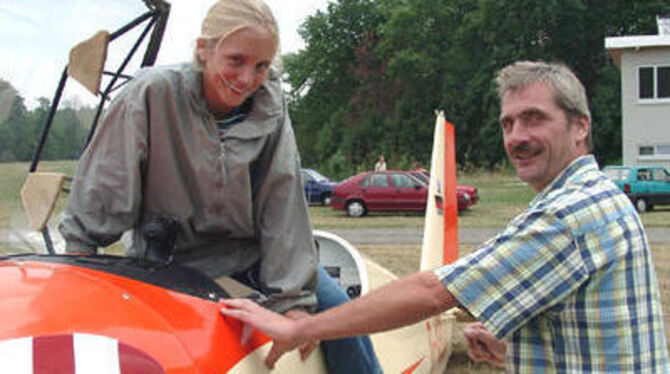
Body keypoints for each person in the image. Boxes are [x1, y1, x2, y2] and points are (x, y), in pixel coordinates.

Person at [221, 61, 669, 372]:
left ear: (580, 126)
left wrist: (301, 327)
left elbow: (434, 292)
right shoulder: (599, 195)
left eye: (534, 118)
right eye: (508, 123)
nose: (517, 136)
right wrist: (514, 351)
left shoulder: (568, 213)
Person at [58, 1, 382, 373]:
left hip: (250, 256)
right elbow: (104, 184)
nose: (247, 79)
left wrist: (293, 301)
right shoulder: (149, 95)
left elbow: (282, 203)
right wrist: (79, 265)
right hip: (166, 259)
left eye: (261, 66)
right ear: (203, 50)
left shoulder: (270, 108)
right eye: (236, 60)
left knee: (337, 312)